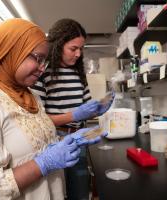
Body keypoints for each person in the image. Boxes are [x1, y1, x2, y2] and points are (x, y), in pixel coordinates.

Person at [0, 18, 106, 200]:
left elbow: (29, 144)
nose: (42, 69)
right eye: (38, 58)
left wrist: (60, 142)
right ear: (10, 51)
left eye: (44, 60)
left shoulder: (30, 96)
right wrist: (42, 163)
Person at [31, 18, 113, 200]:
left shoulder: (78, 73)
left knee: (80, 194)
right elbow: (36, 120)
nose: (78, 54)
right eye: (73, 49)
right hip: (54, 143)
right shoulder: (41, 73)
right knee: (56, 194)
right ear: (58, 45)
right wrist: (73, 115)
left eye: (81, 49)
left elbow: (86, 107)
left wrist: (98, 108)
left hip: (80, 141)